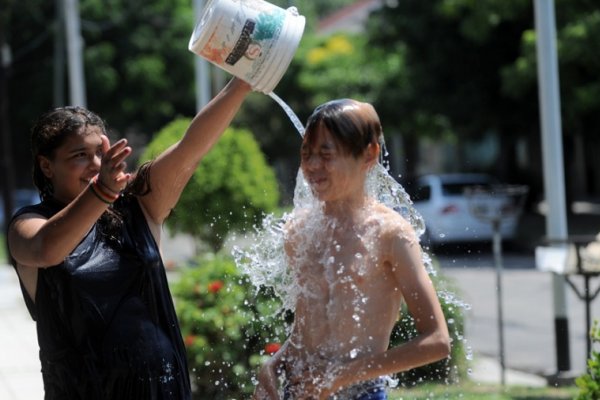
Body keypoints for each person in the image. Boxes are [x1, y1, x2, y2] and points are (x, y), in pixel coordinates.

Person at [7, 77, 251, 399]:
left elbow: (191, 148)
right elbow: (48, 249)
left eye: (99, 153)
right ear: (46, 166)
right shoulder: (29, 225)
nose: (95, 164)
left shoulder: (137, 204)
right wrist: (103, 190)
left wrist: (243, 83)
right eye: (79, 155)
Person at [253, 99, 450, 400]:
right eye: (306, 155)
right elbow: (311, 329)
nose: (312, 166)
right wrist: (276, 363)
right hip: (300, 391)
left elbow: (437, 341)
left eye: (326, 154)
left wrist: (338, 378)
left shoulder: (390, 233)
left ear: (369, 154)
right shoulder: (299, 229)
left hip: (360, 393)